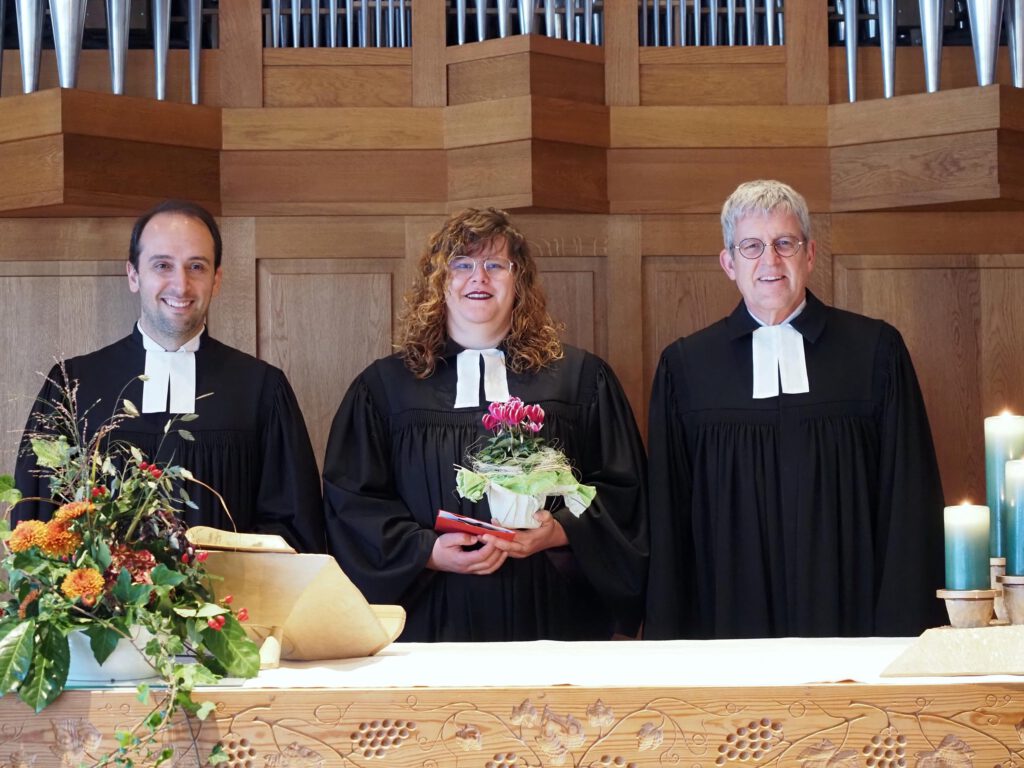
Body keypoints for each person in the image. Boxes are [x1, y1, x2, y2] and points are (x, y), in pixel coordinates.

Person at [322, 208, 648, 642]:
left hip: (551, 618)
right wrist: (427, 551)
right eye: (462, 265)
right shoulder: (386, 388)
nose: (479, 277)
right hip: (430, 624)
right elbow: (354, 504)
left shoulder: (579, 379)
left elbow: (625, 495)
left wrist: (559, 533)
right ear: (439, 282)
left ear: (520, 282)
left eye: (495, 265)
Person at [645, 180, 945, 639]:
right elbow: (668, 523)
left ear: (809, 254)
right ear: (728, 263)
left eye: (785, 243)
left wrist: (903, 638)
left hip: (855, 623)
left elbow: (909, 503)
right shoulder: (685, 367)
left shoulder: (874, 352)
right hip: (726, 629)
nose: (770, 260)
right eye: (752, 247)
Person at [14, 200, 325, 554]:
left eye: (197, 266)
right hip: (99, 607)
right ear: (133, 275)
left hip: (230, 605)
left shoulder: (261, 389)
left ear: (217, 279)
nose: (181, 284)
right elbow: (38, 524)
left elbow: (292, 528)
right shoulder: (72, 386)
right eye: (162, 265)